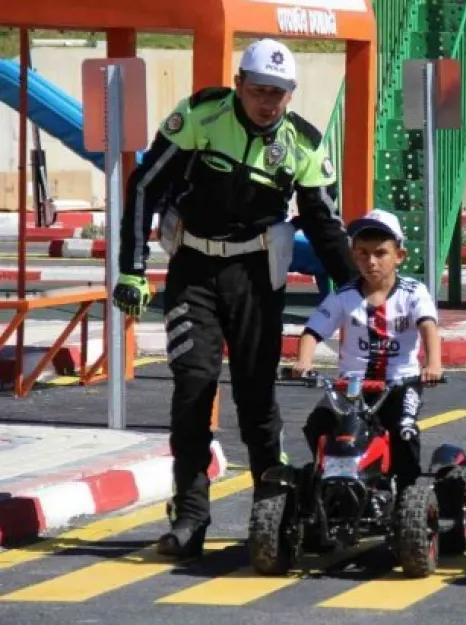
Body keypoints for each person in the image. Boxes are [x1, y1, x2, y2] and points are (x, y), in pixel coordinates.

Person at [111, 38, 357, 559]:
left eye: (280, 93)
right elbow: (142, 187)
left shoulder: (305, 144)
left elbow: (324, 224)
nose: (268, 102)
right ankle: (192, 515)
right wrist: (131, 269)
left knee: (254, 394)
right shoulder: (201, 115)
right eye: (260, 90)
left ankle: (273, 507)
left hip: (256, 273)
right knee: (193, 387)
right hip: (193, 269)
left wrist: (357, 290)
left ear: (290, 95)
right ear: (239, 85)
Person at [294, 208, 444, 494]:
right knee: (318, 426)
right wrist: (304, 361)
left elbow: (428, 326)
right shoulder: (343, 295)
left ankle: (407, 493)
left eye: (380, 253)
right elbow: (313, 331)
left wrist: (433, 364)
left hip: (400, 382)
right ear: (353, 255)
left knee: (404, 429)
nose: (371, 261)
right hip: (350, 385)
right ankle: (329, 484)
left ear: (399, 256)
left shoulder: (413, 292)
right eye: (362, 253)